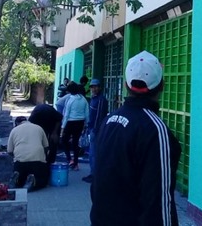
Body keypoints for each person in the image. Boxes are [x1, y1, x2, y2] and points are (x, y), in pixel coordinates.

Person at [90, 50, 181, 226]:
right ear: (162, 85)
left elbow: (98, 183)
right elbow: (159, 200)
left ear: (126, 85)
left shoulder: (109, 121)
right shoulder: (156, 130)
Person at [7, 116, 50, 192]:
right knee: (43, 181)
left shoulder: (14, 130)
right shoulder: (39, 128)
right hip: (37, 160)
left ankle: (17, 178)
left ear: (16, 123)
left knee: (21, 180)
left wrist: (16, 157)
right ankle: (33, 180)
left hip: (20, 161)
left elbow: (9, 151)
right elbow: (46, 146)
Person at [82, 78, 108, 183]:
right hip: (91, 128)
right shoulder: (93, 99)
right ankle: (93, 173)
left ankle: (95, 175)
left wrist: (95, 130)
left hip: (96, 130)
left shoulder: (101, 100)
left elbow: (99, 117)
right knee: (92, 153)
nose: (94, 89)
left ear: (100, 87)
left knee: (94, 154)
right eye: (92, 87)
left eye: (96, 86)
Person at [60, 81, 89, 170]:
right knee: (75, 143)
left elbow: (66, 114)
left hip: (70, 122)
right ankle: (75, 163)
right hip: (80, 123)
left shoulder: (70, 99)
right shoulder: (83, 99)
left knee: (64, 141)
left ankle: (69, 159)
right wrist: (86, 124)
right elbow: (87, 113)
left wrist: (62, 128)